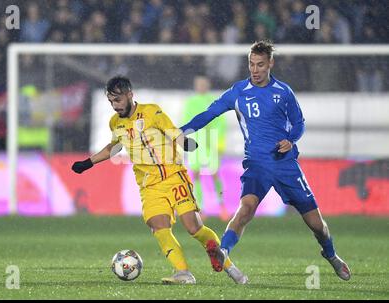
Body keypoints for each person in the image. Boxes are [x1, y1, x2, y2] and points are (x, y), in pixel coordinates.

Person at [179, 40, 351, 282]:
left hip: (286, 165)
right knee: (245, 209)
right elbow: (210, 112)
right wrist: (183, 130)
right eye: (251, 64)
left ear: (271, 63)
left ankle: (332, 255)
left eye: (260, 64)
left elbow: (299, 124)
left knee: (316, 224)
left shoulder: (284, 92)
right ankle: (223, 252)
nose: (255, 70)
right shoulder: (238, 92)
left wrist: (290, 139)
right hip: (257, 165)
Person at [71, 76, 247, 285]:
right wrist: (88, 162)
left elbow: (173, 132)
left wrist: (185, 143)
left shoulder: (152, 111)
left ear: (129, 95)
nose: (115, 106)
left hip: (174, 176)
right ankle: (183, 272)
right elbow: (115, 146)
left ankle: (230, 267)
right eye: (111, 102)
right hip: (149, 186)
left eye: (117, 100)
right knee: (159, 227)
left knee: (194, 228)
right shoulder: (115, 123)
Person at [181, 75, 229, 221]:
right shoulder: (191, 102)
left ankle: (222, 207)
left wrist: (220, 142)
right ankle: (200, 208)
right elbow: (186, 122)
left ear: (207, 85)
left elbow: (221, 123)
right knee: (195, 175)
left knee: (215, 174)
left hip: (211, 142)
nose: (201, 86)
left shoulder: (214, 101)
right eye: (198, 84)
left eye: (203, 84)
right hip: (196, 142)